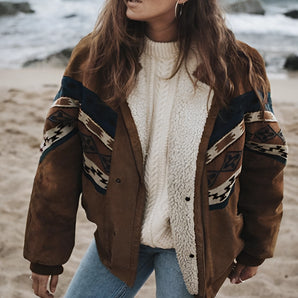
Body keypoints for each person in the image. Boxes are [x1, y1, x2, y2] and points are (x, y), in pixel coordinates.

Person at [23, 0, 288, 297]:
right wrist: (46, 255)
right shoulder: (95, 58)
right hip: (119, 238)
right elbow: (57, 160)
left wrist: (257, 247)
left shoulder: (237, 65)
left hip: (194, 246)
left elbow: (265, 161)